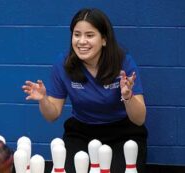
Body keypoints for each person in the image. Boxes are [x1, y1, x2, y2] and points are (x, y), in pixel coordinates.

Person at [22, 8, 148, 173]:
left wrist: (128, 96)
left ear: (104, 39)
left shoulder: (123, 62)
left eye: (89, 35)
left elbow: (139, 119)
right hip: (81, 133)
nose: (81, 41)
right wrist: (43, 99)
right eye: (77, 34)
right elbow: (52, 115)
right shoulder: (63, 64)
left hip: (123, 133)